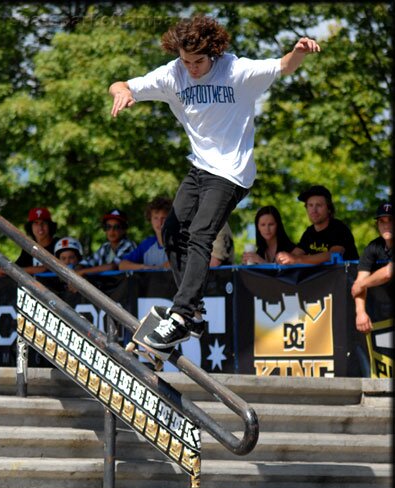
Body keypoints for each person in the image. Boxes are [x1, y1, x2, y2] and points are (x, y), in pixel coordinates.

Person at [109, 14, 320, 348]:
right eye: (186, 61)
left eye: (198, 61)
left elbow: (282, 66)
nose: (192, 68)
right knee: (172, 232)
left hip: (232, 172)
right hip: (200, 167)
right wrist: (122, 93)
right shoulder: (172, 74)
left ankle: (180, 316)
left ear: (214, 52)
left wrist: (299, 51)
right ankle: (195, 313)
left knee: (200, 234)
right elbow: (121, 84)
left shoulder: (236, 71)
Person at [276, 185, 359, 266]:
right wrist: (283, 257)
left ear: (329, 209)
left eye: (319, 205)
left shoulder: (340, 229)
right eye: (310, 205)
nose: (314, 210)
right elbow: (295, 254)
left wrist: (297, 260)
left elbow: (333, 255)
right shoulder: (309, 232)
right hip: (321, 279)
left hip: (346, 278)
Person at [351, 201, 393, 334]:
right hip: (383, 314)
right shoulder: (373, 247)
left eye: (391, 220)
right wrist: (361, 312)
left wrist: (362, 284)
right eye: (382, 221)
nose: (386, 225)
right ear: (377, 225)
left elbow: (388, 272)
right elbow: (359, 280)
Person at [77, 209, 136, 276]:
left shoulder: (128, 245)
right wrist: (79, 268)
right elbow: (87, 262)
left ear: (124, 230)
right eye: (108, 227)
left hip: (124, 285)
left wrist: (83, 271)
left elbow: (113, 266)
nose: (112, 231)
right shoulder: (105, 247)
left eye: (116, 227)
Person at [118, 197, 172, 271]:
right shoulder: (147, 244)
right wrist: (146, 267)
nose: (159, 223)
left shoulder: (181, 243)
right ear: (150, 219)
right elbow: (122, 265)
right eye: (155, 218)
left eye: (164, 218)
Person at [15, 207, 59, 275]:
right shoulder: (29, 247)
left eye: (43, 223)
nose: (40, 227)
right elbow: (16, 268)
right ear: (30, 227)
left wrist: (33, 270)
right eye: (36, 223)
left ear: (50, 226)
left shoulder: (60, 244)